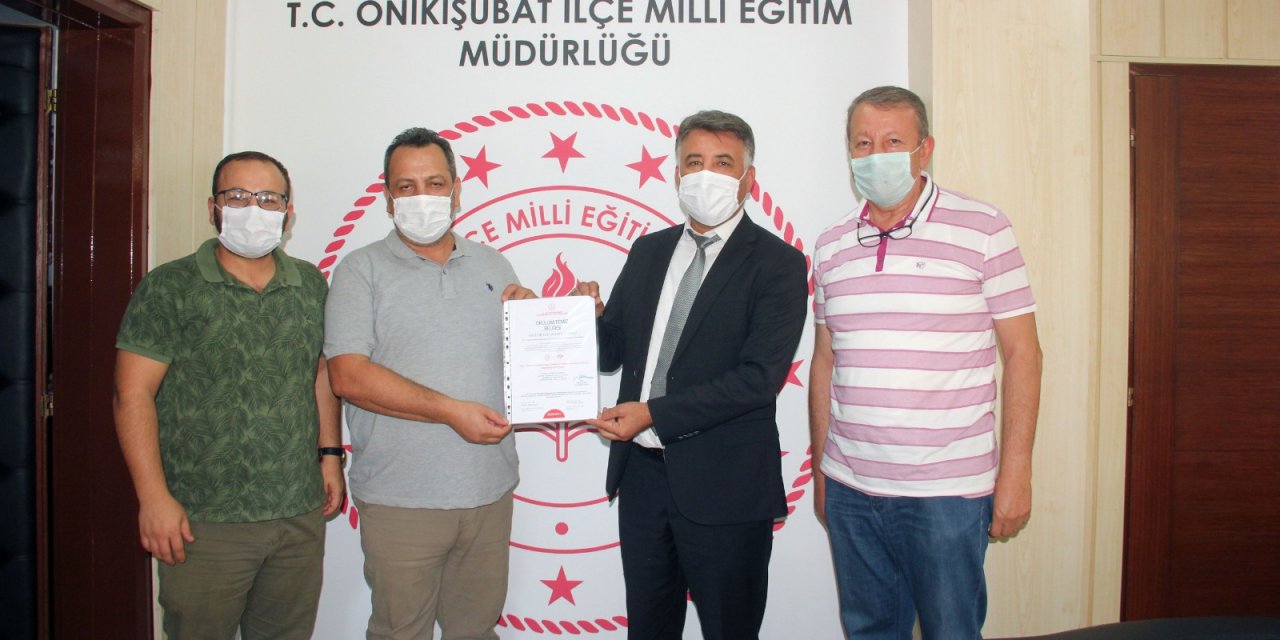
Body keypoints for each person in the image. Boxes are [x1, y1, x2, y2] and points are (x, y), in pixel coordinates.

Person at [809, 85, 1043, 640]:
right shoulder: (831, 244)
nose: (876, 154)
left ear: (925, 149)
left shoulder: (983, 228)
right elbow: (824, 361)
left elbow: (1024, 354)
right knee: (869, 631)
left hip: (947, 495)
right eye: (863, 143)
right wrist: (823, 471)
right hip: (851, 488)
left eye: (894, 141)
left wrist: (1016, 473)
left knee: (950, 631)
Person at [572, 110, 809, 640]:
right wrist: (585, 319)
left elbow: (758, 379)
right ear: (677, 174)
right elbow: (612, 352)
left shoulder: (779, 264)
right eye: (694, 162)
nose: (706, 175)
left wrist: (653, 414)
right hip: (643, 480)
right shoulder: (649, 250)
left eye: (723, 163)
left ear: (748, 178)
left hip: (727, 485)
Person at [114, 151, 345, 639]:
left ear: (288, 213)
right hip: (203, 522)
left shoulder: (309, 284)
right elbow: (131, 394)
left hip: (297, 513)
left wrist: (329, 456)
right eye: (237, 196)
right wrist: (153, 498)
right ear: (213, 208)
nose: (253, 209)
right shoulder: (170, 286)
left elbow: (320, 372)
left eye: (269, 199)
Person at [324, 127, 534, 640]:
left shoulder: (493, 263)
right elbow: (347, 375)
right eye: (407, 186)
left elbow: (517, 365)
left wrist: (543, 321)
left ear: (456, 190)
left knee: (475, 631)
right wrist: (450, 411)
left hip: (488, 491)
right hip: (402, 499)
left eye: (435, 183)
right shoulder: (360, 270)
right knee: (401, 632)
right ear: (387, 197)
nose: (423, 197)